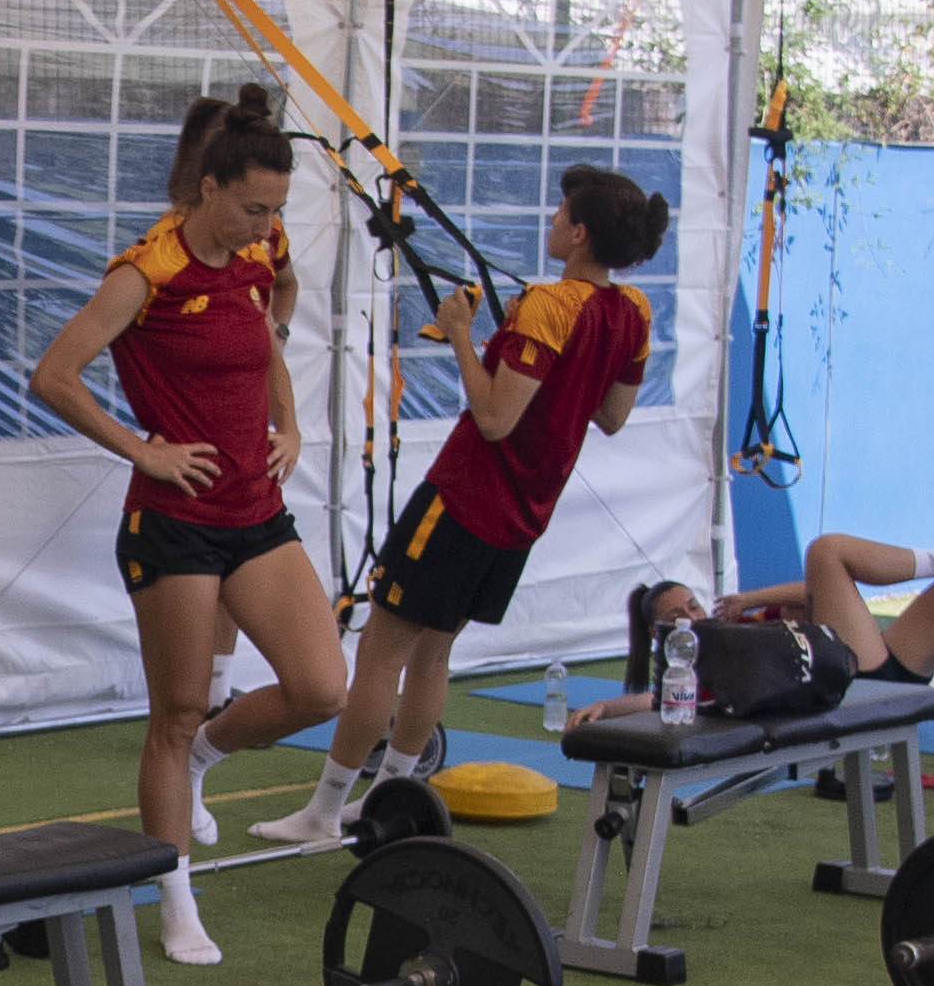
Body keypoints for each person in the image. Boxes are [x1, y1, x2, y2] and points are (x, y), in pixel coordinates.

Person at [27, 86, 351, 963]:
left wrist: (288, 422)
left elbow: (267, 336)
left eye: (276, 209)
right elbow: (53, 375)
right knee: (170, 712)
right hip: (172, 522)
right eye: (253, 206)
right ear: (206, 188)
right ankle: (174, 896)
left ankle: (209, 755)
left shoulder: (258, 249)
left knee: (323, 688)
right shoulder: (146, 269)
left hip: (255, 510)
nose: (265, 225)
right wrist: (142, 449)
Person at [260, 167, 660, 845]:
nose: (553, 217)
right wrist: (539, 362)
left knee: (381, 654)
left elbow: (497, 417)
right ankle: (387, 799)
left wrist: (461, 336)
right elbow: (613, 415)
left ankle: (324, 810)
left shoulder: (549, 306)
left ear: (579, 231)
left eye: (561, 210)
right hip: (523, 515)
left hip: (465, 497)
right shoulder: (633, 312)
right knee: (433, 655)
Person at [559, 538, 934, 746]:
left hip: (872, 662)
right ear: (656, 634)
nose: (692, 615)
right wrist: (604, 707)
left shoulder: (732, 626)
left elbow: (814, 590)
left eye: (693, 604)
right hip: (848, 677)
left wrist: (749, 600)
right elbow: (663, 700)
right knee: (826, 550)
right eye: (677, 615)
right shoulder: (701, 662)